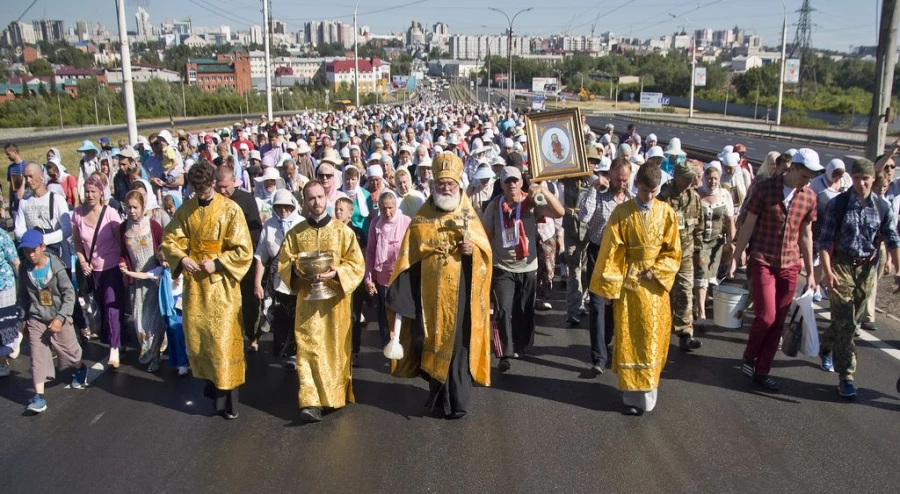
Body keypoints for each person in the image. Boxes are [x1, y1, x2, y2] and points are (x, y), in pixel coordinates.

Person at [386, 152, 493, 419]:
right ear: (434, 186)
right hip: (429, 297)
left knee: (457, 346)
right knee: (430, 341)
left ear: (458, 186)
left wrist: (472, 251)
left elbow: (485, 253)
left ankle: (457, 402)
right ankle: (437, 398)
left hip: (460, 295)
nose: (446, 188)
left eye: (451, 184)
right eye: (441, 184)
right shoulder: (422, 217)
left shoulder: (468, 214)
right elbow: (408, 256)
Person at [161, 162, 254, 419]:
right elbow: (170, 238)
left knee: (224, 342)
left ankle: (230, 402)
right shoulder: (187, 209)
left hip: (222, 286)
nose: (202, 192)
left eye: (206, 187)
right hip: (197, 287)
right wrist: (182, 258)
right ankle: (214, 396)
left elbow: (243, 249)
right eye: (197, 188)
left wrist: (219, 262)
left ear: (213, 183)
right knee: (204, 340)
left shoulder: (230, 209)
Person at [589, 162, 682, 415]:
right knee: (630, 338)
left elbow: (673, 251)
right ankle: (631, 397)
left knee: (652, 339)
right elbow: (611, 251)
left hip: (655, 289)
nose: (648, 197)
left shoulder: (667, 213)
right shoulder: (622, 212)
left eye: (653, 192)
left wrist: (658, 270)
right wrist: (609, 289)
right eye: (643, 192)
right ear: (636, 185)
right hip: (630, 285)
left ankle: (649, 395)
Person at [729, 148, 821, 392]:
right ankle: (750, 355)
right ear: (793, 168)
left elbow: (806, 235)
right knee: (766, 316)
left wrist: (810, 272)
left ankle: (762, 370)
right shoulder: (765, 188)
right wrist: (737, 256)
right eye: (805, 174)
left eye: (811, 176)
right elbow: (749, 224)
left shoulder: (809, 197)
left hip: (790, 265)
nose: (807, 180)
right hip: (763, 259)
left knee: (779, 320)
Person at [276, 181, 365, 424]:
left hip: (335, 303)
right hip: (307, 302)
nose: (316, 202)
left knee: (334, 349)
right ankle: (310, 401)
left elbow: (356, 264)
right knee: (308, 348)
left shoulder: (343, 231)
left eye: (319, 197)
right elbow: (284, 263)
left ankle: (333, 396)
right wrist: (299, 271)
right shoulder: (296, 233)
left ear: (326, 197)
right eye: (311, 198)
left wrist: (336, 272)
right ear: (305, 202)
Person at [817, 158, 900, 398]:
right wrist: (827, 271)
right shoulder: (839, 204)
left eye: (866, 179)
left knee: (851, 320)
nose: (861, 183)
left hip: (866, 268)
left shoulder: (881, 207)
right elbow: (824, 240)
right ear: (851, 179)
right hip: (841, 265)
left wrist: (897, 268)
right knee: (848, 324)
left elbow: (892, 238)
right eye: (857, 179)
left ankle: (827, 346)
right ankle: (847, 375)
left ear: (873, 179)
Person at [482, 166, 564, 372]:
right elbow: (486, 234)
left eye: (515, 181)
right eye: (507, 181)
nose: (511, 184)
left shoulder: (531, 201)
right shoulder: (494, 206)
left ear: (521, 182)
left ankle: (520, 345)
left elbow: (559, 212)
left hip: (528, 266)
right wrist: (486, 262)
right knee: (502, 310)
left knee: (524, 310)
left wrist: (544, 191)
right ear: (501, 184)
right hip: (503, 266)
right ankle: (504, 354)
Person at [17, 230, 89, 413]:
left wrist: (60, 317)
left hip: (59, 315)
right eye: (26, 251)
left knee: (71, 353)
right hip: (37, 317)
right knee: (37, 355)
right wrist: (23, 319)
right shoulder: (24, 268)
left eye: (33, 250)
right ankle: (39, 397)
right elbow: (23, 296)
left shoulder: (56, 266)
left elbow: (69, 294)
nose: (30, 254)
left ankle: (80, 368)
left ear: (42, 247)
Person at [578, 157, 633, 372]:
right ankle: (599, 358)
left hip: (621, 259)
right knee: (598, 307)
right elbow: (584, 217)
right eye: (619, 179)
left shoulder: (631, 202)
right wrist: (593, 188)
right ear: (609, 176)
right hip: (599, 254)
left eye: (626, 180)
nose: (622, 184)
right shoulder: (599, 197)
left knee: (614, 307)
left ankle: (607, 344)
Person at [73, 176, 125, 367]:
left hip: (112, 267)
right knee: (102, 307)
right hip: (92, 270)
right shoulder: (78, 214)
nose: (89, 195)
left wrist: (123, 264)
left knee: (112, 306)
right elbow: (77, 241)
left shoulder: (110, 213)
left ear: (101, 192)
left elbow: (121, 241)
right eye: (87, 191)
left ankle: (114, 349)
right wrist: (82, 260)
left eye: (93, 191)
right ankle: (120, 338)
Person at [215, 165, 264, 352]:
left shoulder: (246, 199)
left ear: (234, 181)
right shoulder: (215, 202)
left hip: (244, 260)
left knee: (249, 302)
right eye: (219, 187)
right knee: (226, 302)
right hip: (222, 261)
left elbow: (255, 231)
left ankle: (253, 336)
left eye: (226, 186)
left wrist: (239, 248)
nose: (223, 191)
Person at [254, 189, 304, 369]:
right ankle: (288, 353)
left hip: (299, 280)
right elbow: (261, 256)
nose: (283, 210)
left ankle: (299, 353)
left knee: (299, 317)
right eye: (279, 206)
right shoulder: (269, 226)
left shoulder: (302, 223)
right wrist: (257, 283)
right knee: (282, 317)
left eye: (287, 206)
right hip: (278, 282)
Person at [656, 161, 704, 351]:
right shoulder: (663, 198)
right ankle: (660, 332)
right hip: (665, 255)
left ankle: (685, 334)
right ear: (676, 176)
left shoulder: (694, 198)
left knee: (685, 292)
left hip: (686, 254)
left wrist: (698, 251)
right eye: (685, 178)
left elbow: (698, 226)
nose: (688, 182)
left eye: (691, 178)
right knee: (663, 294)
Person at [118, 190, 167, 373]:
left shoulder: (153, 226)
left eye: (135, 207)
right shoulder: (124, 228)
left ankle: (155, 356)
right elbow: (122, 252)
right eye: (128, 207)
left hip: (154, 279)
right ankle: (150, 348)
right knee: (139, 322)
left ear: (142, 207)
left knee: (154, 321)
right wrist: (123, 264)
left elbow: (164, 248)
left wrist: (164, 268)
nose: (131, 211)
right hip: (136, 281)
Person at [364, 191, 411, 347]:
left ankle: (402, 341)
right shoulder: (375, 224)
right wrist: (368, 278)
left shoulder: (405, 221)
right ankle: (387, 342)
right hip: (383, 275)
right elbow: (371, 251)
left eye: (390, 208)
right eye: (383, 208)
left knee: (402, 309)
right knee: (385, 310)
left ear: (396, 206)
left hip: (402, 274)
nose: (387, 212)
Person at [694, 162, 736, 320]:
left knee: (710, 275)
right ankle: (702, 311)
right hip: (699, 242)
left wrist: (732, 242)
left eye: (715, 179)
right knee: (701, 273)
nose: (712, 182)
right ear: (704, 178)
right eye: (709, 178)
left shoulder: (725, 194)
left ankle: (698, 304)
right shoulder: (697, 193)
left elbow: (730, 220)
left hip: (716, 243)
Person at [334, 196, 368, 367]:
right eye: (336, 209)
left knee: (353, 317)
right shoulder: (330, 231)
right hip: (334, 282)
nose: (338, 212)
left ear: (350, 212)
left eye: (342, 209)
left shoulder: (358, 233)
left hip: (354, 282)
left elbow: (363, 258)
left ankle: (354, 351)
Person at [14, 163, 72, 262]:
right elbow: (18, 230)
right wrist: (32, 240)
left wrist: (43, 239)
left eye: (31, 176)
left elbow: (67, 229)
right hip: (35, 258)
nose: (28, 180)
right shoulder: (24, 202)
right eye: (25, 177)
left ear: (41, 176)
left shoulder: (57, 199)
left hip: (58, 257)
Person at [0, 229, 20, 378]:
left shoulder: (2, 235)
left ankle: (2, 362)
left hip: (4, 286)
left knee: (3, 325)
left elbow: (15, 261)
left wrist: (26, 284)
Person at [339, 164, 370, 232]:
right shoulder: (338, 194)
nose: (350, 182)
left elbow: (371, 217)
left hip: (363, 233)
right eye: (347, 179)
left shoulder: (365, 195)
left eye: (353, 179)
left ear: (357, 179)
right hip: (344, 232)